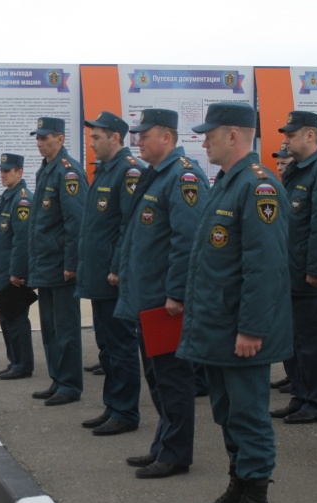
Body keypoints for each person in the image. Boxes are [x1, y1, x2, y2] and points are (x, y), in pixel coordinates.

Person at [178, 102, 292, 503]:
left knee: (249, 416)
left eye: (210, 133)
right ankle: (237, 488)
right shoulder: (227, 182)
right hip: (217, 327)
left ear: (233, 136)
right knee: (227, 413)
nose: (203, 140)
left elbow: (264, 267)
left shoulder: (259, 187)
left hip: (240, 331)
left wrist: (252, 328)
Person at [114, 108, 209, 478]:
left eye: (143, 134)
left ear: (166, 137)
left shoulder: (183, 177)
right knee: (157, 377)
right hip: (148, 298)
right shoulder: (158, 175)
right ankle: (163, 445)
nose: (136, 140)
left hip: (165, 303)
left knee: (172, 378)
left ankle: (175, 453)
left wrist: (176, 293)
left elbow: (187, 241)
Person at [270, 111, 317, 424]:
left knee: (311, 343)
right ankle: (300, 395)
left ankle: (316, 403)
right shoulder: (299, 172)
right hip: (289, 271)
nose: (285, 140)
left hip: (307, 275)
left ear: (311, 136)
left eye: (291, 135)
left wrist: (316, 269)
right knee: (292, 340)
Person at [75, 111, 143, 435]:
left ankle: (126, 412)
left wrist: (117, 266)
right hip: (99, 276)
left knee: (121, 344)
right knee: (106, 346)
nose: (91, 143)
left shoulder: (128, 172)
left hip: (113, 277)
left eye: (96, 137)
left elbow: (128, 226)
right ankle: (112, 406)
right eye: (91, 137)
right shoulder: (103, 172)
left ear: (115, 138)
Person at [28, 117, 88, 406]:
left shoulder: (68, 172)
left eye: (45, 138)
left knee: (65, 327)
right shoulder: (45, 171)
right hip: (46, 263)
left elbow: (76, 222)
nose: (40, 143)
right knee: (50, 327)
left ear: (60, 139)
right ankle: (57, 378)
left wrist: (72, 263)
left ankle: (70, 384)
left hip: (61, 264)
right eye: (38, 138)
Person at [0, 153, 35, 380]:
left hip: (13, 274)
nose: (3, 174)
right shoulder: (9, 197)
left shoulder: (22, 200)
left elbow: (22, 240)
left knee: (16, 319)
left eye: (8, 170)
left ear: (20, 172)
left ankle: (23, 365)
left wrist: (17, 272)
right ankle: (14, 361)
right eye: (1, 170)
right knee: (7, 317)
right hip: (5, 271)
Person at [270, 142, 294, 393]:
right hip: (287, 268)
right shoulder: (282, 187)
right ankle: (294, 376)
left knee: (309, 339)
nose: (279, 167)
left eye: (284, 163)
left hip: (301, 272)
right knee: (291, 329)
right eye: (277, 164)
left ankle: (311, 393)